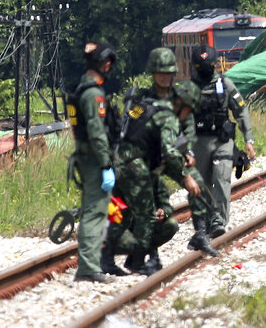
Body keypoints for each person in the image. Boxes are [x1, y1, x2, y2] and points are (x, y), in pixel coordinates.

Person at [104, 48, 207, 276]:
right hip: (138, 162)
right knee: (141, 213)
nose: (164, 77)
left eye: (168, 73)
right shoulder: (141, 100)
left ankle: (199, 233)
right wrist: (183, 175)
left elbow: (184, 130)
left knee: (140, 210)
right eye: (159, 72)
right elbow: (129, 128)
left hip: (155, 161)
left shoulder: (177, 99)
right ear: (152, 73)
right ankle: (136, 259)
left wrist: (186, 151)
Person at [189, 45, 256, 235]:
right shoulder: (188, 88)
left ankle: (218, 220)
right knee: (201, 184)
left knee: (221, 178)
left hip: (222, 141)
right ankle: (205, 221)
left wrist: (248, 138)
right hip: (198, 143)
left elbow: (241, 110)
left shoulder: (225, 85)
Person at [65, 40, 118, 283]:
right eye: (106, 61)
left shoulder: (80, 89)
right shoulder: (94, 95)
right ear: (98, 63)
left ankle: (90, 264)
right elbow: (98, 133)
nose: (109, 65)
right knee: (94, 213)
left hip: (85, 157)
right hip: (95, 162)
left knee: (92, 211)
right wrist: (107, 164)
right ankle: (88, 267)